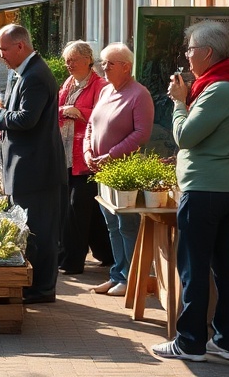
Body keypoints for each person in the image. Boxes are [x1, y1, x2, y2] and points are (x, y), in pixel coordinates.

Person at [151, 21, 229, 362]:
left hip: (206, 190)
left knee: (193, 268)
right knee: (225, 268)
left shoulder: (218, 89)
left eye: (190, 49)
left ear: (207, 53)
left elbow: (185, 137)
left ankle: (190, 342)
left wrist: (180, 103)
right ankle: (226, 341)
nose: (187, 55)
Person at [0, 23, 65, 304]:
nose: (1, 55)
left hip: (36, 169)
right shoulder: (24, 72)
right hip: (27, 165)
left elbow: (27, 119)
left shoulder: (35, 76)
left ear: (20, 46)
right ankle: (33, 285)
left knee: (39, 231)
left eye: (4, 49)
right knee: (30, 228)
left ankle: (41, 289)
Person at [84, 42, 153, 296]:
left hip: (123, 172)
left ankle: (130, 278)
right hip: (102, 170)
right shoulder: (105, 91)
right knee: (111, 225)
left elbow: (142, 133)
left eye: (110, 63)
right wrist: (87, 151)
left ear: (126, 67)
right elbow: (91, 125)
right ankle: (117, 274)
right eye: (103, 62)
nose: (104, 67)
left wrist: (111, 154)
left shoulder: (139, 94)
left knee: (127, 225)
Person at [56, 40, 110, 276]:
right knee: (88, 209)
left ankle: (71, 261)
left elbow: (106, 116)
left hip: (87, 157)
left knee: (76, 208)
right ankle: (108, 253)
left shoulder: (100, 86)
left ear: (88, 60)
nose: (69, 64)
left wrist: (80, 113)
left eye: (74, 60)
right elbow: (56, 109)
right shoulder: (68, 83)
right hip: (67, 154)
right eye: (67, 60)